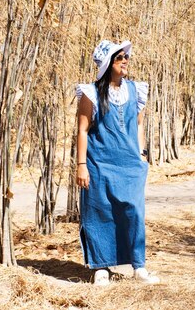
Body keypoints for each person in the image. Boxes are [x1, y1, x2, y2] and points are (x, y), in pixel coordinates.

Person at [75, 39, 160, 286]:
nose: (125, 61)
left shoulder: (136, 90)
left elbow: (140, 124)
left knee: (133, 213)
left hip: (130, 165)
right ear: (107, 64)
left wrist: (141, 155)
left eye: (126, 57)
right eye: (119, 57)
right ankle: (101, 267)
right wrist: (81, 165)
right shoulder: (90, 94)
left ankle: (139, 266)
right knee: (100, 212)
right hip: (99, 164)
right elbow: (82, 130)